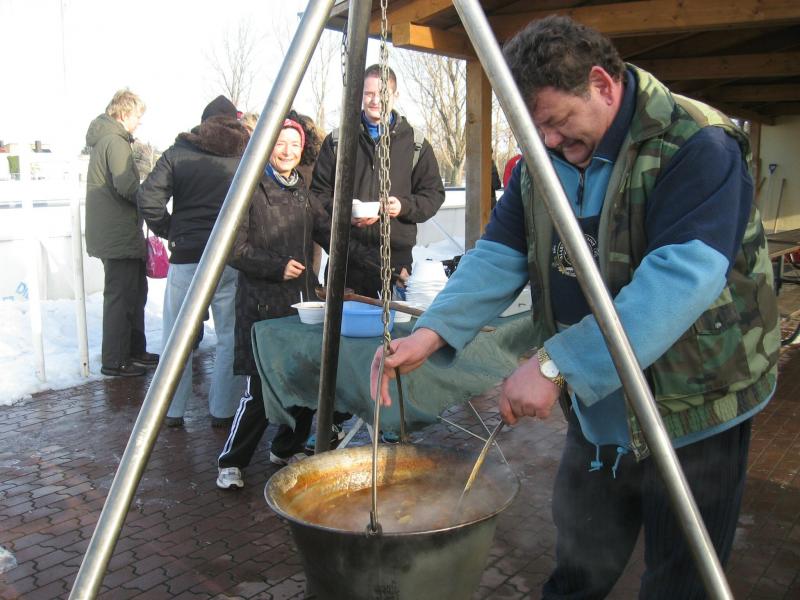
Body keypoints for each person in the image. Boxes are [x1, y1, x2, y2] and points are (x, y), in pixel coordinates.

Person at [372, 16, 779, 599]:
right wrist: (431, 333)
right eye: (536, 131)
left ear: (602, 84)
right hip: (600, 405)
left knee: (680, 582)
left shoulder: (697, 143)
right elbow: (500, 253)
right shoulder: (544, 159)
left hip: (694, 409)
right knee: (579, 568)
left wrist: (554, 364)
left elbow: (680, 281)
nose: (549, 143)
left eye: (557, 124)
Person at [216, 113, 377, 489]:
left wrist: (378, 261)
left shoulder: (302, 191)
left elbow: (330, 234)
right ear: (267, 146)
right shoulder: (248, 188)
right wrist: (275, 267)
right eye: (280, 143)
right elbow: (233, 249)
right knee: (261, 390)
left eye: (294, 145)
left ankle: (285, 447)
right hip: (261, 307)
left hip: (300, 305)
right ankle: (232, 461)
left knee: (305, 381)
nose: (287, 151)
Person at [137, 95, 250, 428]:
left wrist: (171, 229)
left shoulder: (179, 152)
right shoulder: (247, 155)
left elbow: (147, 198)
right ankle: (223, 410)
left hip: (187, 257)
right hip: (229, 257)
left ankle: (172, 410)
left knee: (177, 337)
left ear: (203, 124)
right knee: (229, 335)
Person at [310, 64, 445, 299]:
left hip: (395, 261)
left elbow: (433, 194)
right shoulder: (337, 141)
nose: (375, 101)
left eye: (382, 93)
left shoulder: (416, 144)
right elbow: (317, 197)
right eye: (369, 93)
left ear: (395, 95)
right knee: (344, 322)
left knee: (395, 322)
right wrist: (346, 211)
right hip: (346, 260)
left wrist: (403, 206)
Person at [85, 89, 159, 377]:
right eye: (137, 116)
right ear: (124, 113)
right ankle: (115, 360)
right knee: (121, 297)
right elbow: (126, 186)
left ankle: (134, 351)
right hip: (119, 234)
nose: (139, 122)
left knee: (134, 292)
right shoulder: (115, 141)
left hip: (116, 232)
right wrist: (150, 196)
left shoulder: (108, 139)